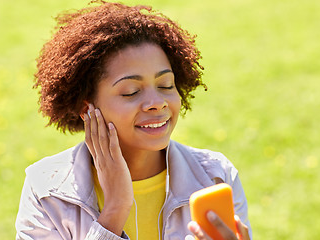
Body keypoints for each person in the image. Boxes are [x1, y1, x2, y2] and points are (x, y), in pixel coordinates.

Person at [15, 1, 252, 239]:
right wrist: (115, 208)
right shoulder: (47, 191)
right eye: (131, 91)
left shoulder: (215, 177)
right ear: (86, 107)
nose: (157, 102)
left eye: (166, 85)